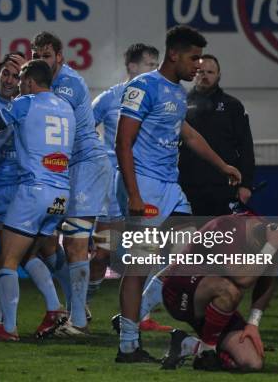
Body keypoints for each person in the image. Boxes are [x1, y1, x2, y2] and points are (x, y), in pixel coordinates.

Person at [114, 25, 242, 362]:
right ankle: (128, 345)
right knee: (139, 266)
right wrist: (134, 195)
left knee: (191, 256)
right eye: (194, 57)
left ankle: (190, 335)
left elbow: (190, 135)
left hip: (171, 189)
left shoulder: (175, 92)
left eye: (201, 58)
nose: (198, 65)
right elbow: (122, 142)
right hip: (145, 187)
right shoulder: (142, 87)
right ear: (174, 54)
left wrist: (223, 165)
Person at [0, 59, 76, 341]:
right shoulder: (67, 108)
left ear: (30, 82)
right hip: (61, 195)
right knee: (29, 254)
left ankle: (8, 328)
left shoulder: (26, 104)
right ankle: (54, 308)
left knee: (8, 261)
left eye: (22, 80)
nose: (18, 85)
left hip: (34, 190)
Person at [31, 31, 112, 336]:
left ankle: (77, 319)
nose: (42, 60)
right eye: (37, 55)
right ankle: (78, 308)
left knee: (76, 242)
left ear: (60, 57)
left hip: (85, 166)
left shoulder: (66, 83)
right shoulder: (40, 86)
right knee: (46, 243)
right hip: (63, 170)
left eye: (47, 55)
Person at [90, 43, 170, 332]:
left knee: (146, 252)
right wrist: (98, 162)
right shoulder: (110, 99)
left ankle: (141, 317)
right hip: (113, 189)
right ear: (133, 68)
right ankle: (80, 305)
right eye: (150, 64)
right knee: (101, 255)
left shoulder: (159, 98)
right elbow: (85, 128)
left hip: (145, 184)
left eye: (156, 64)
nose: (155, 69)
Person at [159, 215, 278, 371]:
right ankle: (208, 351)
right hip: (178, 292)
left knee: (252, 363)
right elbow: (242, 278)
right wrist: (270, 248)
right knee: (230, 289)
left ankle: (187, 345)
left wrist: (253, 324)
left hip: (213, 304)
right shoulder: (225, 229)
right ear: (257, 244)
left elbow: (267, 278)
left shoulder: (266, 232)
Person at [179, 54, 255, 216]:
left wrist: (246, 185)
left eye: (210, 72)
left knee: (224, 238)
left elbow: (246, 147)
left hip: (223, 187)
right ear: (194, 74)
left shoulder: (233, 106)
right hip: (186, 186)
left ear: (218, 75)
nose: (204, 75)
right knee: (188, 239)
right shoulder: (180, 103)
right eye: (200, 72)